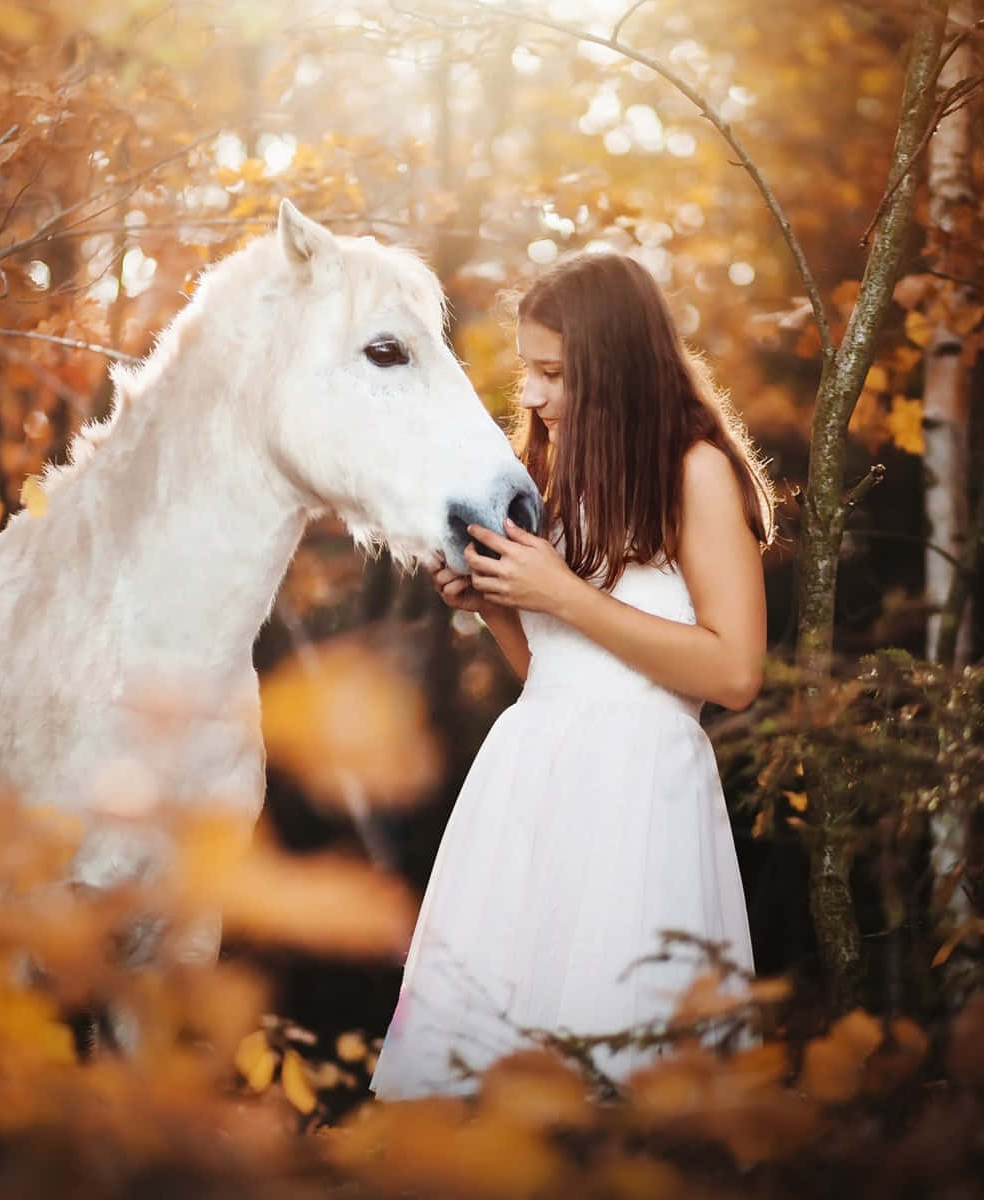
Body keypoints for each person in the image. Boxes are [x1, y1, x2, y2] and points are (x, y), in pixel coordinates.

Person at [369, 251, 775, 1098]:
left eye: (552, 372)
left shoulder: (695, 472)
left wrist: (563, 594)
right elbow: (552, 671)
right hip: (531, 778)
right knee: (493, 1066)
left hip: (639, 795)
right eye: (527, 370)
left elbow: (734, 672)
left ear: (615, 369)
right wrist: (499, 608)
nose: (531, 395)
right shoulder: (562, 482)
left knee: (621, 1064)